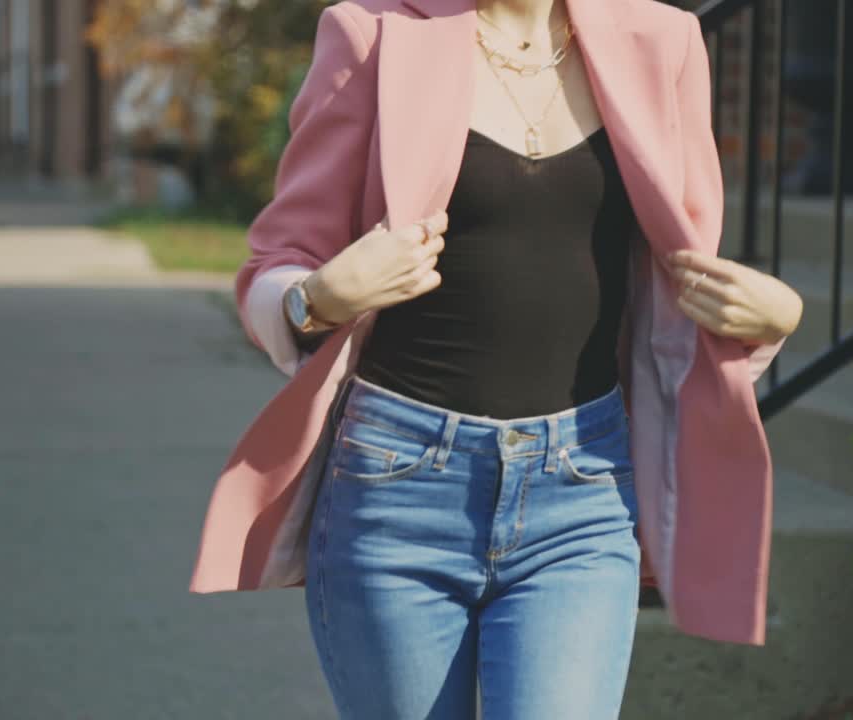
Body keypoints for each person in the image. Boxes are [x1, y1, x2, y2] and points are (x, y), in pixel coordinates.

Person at [188, 0, 802, 718]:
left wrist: (774, 320)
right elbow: (279, 259)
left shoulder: (662, 42)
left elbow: (677, 283)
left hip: (582, 487)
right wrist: (314, 299)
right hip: (397, 483)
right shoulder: (373, 33)